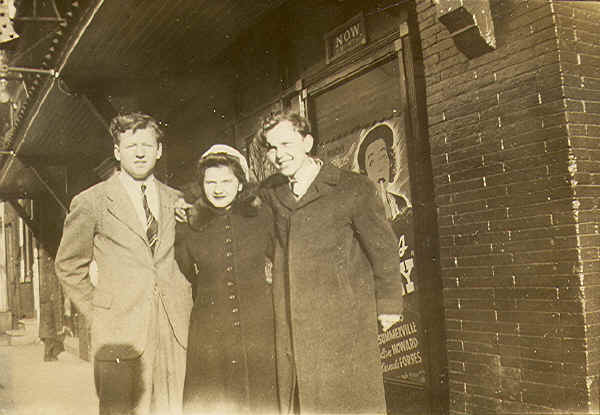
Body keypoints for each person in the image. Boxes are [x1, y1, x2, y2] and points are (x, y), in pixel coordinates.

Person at [257, 111, 405, 414]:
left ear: (307, 141)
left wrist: (389, 303)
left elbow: (383, 249)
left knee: (349, 400)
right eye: (271, 148)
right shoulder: (271, 192)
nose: (278, 155)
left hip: (343, 318)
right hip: (294, 320)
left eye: (286, 144)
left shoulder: (353, 188)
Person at [54, 112, 193, 415]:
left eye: (147, 145)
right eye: (131, 146)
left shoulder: (176, 199)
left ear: (158, 150)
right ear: (117, 152)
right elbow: (68, 265)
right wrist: (97, 310)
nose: (140, 152)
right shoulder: (92, 201)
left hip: (173, 326)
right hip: (120, 330)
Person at [175, 144, 278, 415]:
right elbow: (184, 269)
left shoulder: (262, 216)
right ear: (202, 185)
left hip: (259, 327)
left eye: (226, 181)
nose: (218, 189)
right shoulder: (189, 223)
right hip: (210, 332)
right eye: (210, 182)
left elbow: (282, 257)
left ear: (240, 183)